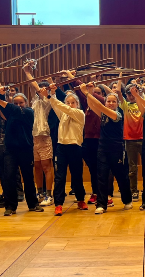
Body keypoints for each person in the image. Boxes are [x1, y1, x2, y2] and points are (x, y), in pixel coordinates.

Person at [0, 88, 44, 215]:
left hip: (26, 149)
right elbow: (3, 108)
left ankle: (33, 204)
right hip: (10, 150)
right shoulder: (10, 112)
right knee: (9, 178)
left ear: (26, 103)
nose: (19, 105)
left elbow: (12, 108)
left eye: (21, 102)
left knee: (28, 177)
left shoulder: (29, 112)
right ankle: (10, 206)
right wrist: (0, 95)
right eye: (16, 103)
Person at [80, 83, 133, 214]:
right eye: (108, 101)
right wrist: (90, 92)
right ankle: (102, 205)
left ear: (117, 103)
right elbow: (92, 105)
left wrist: (87, 93)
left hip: (116, 149)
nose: (110, 103)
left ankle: (127, 200)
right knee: (101, 176)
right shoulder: (103, 113)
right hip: (102, 149)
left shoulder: (117, 114)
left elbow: (98, 105)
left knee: (121, 176)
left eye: (113, 101)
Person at [45, 84, 88, 216]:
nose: (70, 105)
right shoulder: (63, 114)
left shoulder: (79, 113)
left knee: (77, 176)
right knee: (60, 177)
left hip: (75, 148)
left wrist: (49, 95)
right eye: (68, 102)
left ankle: (80, 199)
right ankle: (58, 204)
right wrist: (51, 93)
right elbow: (56, 106)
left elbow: (62, 106)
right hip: (61, 148)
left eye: (73, 103)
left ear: (77, 104)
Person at [23, 64, 55, 207]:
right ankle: (40, 192)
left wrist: (28, 72)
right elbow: (32, 87)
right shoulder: (35, 101)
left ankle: (49, 194)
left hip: (44, 136)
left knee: (47, 166)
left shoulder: (49, 100)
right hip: (33, 136)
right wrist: (27, 74)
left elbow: (36, 87)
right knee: (36, 166)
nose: (39, 91)